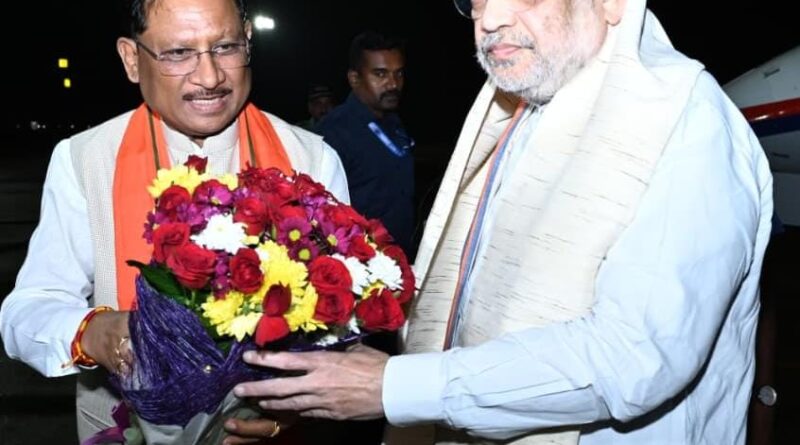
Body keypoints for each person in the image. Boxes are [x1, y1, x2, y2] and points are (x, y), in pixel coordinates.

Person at [232, 0, 774, 444]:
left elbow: (633, 358)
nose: (489, 18)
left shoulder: (684, 123)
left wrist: (398, 387)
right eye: (477, 0)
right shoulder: (522, 108)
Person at [0, 0, 348, 443]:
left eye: (225, 47)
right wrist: (94, 333)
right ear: (131, 59)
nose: (210, 77)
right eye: (179, 53)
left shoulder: (311, 159)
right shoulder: (85, 159)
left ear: (248, 42)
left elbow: (339, 325)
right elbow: (27, 311)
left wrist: (292, 413)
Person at [315, 31, 416, 258]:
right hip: (361, 266)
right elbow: (321, 214)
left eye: (399, 73)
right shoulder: (334, 133)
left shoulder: (394, 122)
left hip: (401, 259)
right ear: (354, 78)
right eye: (380, 74)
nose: (393, 84)